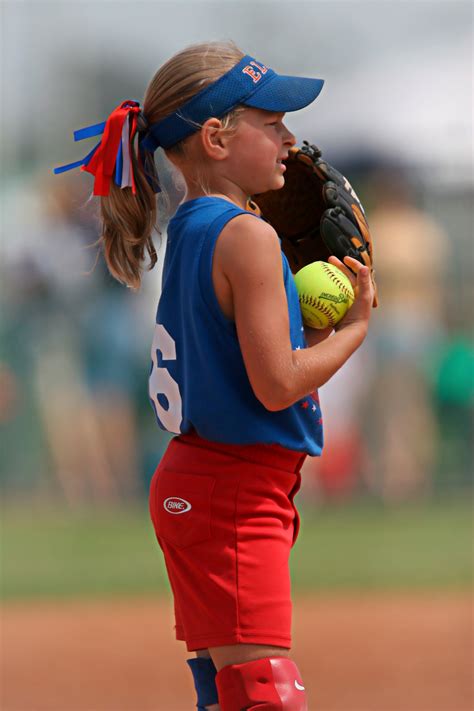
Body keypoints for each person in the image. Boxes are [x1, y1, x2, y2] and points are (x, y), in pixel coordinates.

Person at [54, 40, 374, 711]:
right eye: (272, 122)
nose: (291, 139)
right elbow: (279, 385)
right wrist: (354, 330)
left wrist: (314, 331)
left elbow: (247, 364)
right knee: (265, 693)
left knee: (226, 690)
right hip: (232, 491)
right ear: (217, 138)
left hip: (205, 482)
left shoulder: (199, 226)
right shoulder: (249, 237)